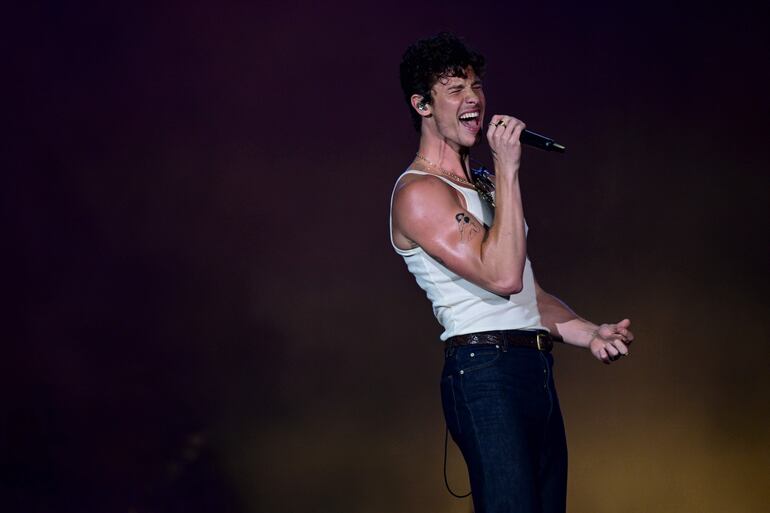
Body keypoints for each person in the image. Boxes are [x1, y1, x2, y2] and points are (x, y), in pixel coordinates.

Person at [389, 32, 635, 513]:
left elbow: (525, 291)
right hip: (484, 372)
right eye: (455, 89)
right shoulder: (419, 192)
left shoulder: (481, 183)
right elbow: (500, 277)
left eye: (477, 86)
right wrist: (507, 167)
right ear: (422, 104)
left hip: (532, 368)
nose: (474, 99)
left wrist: (589, 333)